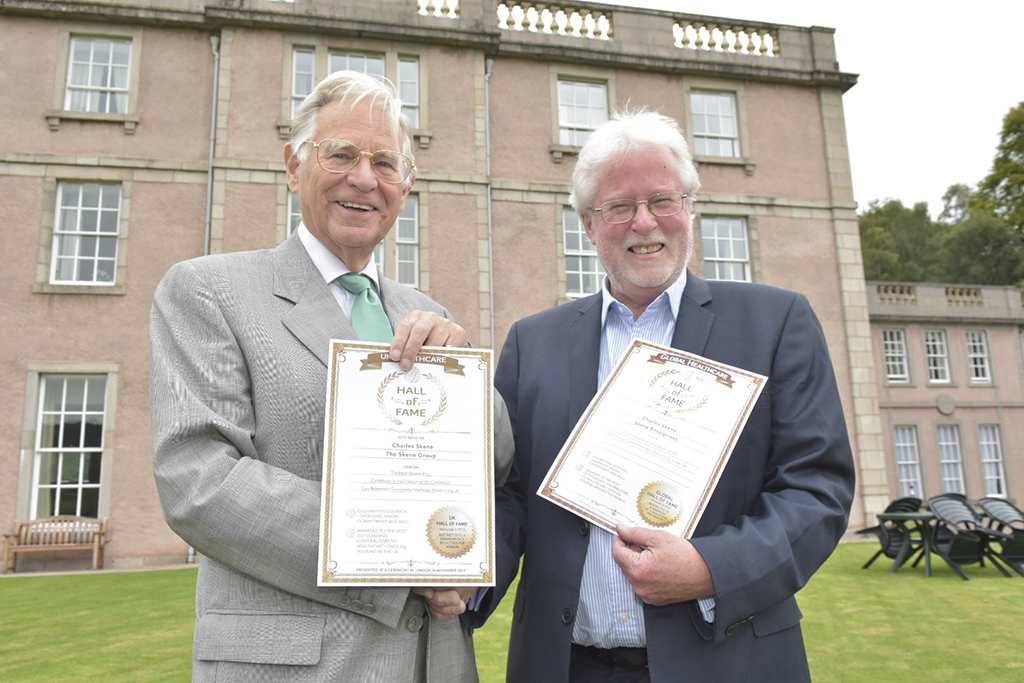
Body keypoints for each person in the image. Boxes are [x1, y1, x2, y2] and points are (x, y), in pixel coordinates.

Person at [465, 109, 856, 682]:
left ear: (689, 208)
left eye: (662, 201)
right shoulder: (533, 341)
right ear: (588, 223)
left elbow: (816, 489)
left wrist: (708, 569)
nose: (644, 223)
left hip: (728, 661)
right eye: (620, 207)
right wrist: (464, 574)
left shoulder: (776, 322)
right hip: (563, 666)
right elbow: (511, 494)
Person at [150, 70, 511, 683]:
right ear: (294, 166)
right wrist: (404, 557)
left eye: (385, 163)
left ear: (407, 185)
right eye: (340, 154)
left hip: (440, 663)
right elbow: (198, 481)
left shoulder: (430, 312)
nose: (364, 178)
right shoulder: (208, 290)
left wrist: (468, 373)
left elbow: (492, 466)